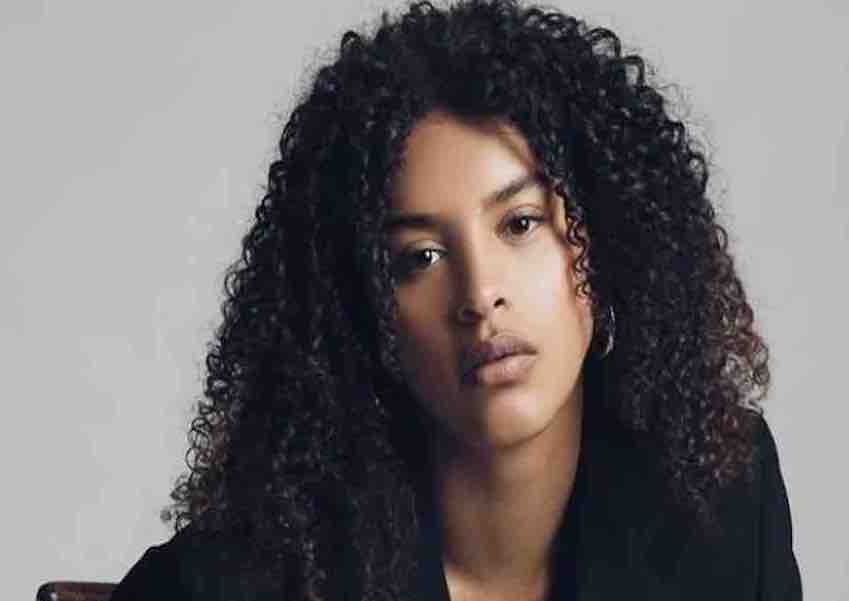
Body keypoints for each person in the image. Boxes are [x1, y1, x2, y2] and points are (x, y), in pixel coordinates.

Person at [110, 1, 802, 599]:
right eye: (420, 258)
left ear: (606, 235)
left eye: (520, 224)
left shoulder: (721, 505)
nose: (479, 294)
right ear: (364, 311)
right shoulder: (236, 581)